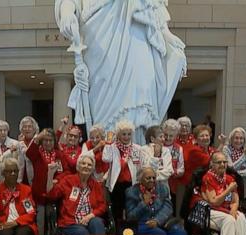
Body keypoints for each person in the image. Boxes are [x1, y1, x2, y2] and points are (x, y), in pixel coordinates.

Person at [55, 0, 187, 144]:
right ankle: (106, 154)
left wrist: (164, 33)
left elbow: (152, 5)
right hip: (100, 34)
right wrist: (66, 9)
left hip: (137, 31)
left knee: (141, 93)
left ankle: (141, 154)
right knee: (106, 105)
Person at [201, 152, 246, 235]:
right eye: (219, 162)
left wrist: (234, 210)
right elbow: (214, 201)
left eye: (224, 162)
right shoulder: (207, 178)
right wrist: (228, 189)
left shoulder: (229, 178)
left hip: (226, 211)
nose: (223, 164)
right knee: (229, 219)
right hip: (212, 211)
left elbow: (235, 199)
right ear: (212, 164)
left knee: (241, 217)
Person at [26, 128, 69, 235]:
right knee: (40, 221)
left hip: (55, 193)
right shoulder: (37, 153)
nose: (48, 143)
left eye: (50, 140)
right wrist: (39, 136)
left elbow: (66, 172)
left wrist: (58, 180)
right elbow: (28, 153)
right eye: (45, 140)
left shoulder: (59, 154)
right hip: (39, 193)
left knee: (55, 219)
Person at [102, 120, 146, 223]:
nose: (126, 137)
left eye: (129, 134)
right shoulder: (112, 147)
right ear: (118, 134)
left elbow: (142, 166)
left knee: (131, 211)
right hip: (117, 184)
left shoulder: (137, 148)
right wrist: (108, 143)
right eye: (123, 134)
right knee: (117, 212)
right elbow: (106, 158)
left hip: (132, 184)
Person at [222, 127, 246, 198]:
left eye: (241, 138)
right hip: (228, 185)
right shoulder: (226, 149)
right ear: (231, 139)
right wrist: (244, 156)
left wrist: (235, 173)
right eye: (236, 138)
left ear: (244, 140)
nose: (239, 141)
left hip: (243, 185)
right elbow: (230, 168)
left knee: (242, 206)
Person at [162, 119, 184, 212]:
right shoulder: (157, 146)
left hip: (172, 185)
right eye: (165, 135)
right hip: (157, 185)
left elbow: (181, 170)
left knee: (170, 210)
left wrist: (170, 172)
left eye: (171, 136)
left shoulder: (178, 149)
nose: (167, 138)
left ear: (175, 136)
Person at [17, 116, 39, 185]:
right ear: (21, 129)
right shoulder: (18, 143)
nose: (27, 129)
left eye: (29, 127)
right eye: (25, 127)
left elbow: (30, 156)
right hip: (22, 178)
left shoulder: (38, 141)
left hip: (36, 178)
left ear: (34, 129)